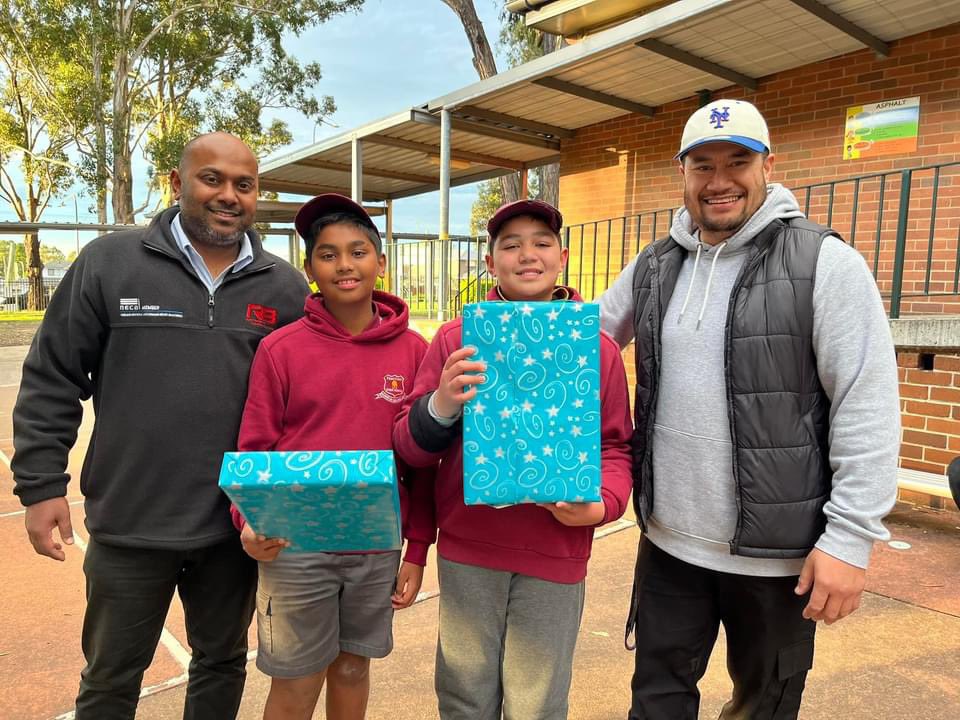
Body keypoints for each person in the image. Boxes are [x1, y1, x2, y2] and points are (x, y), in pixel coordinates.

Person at [599, 99, 901, 719]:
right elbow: (582, 345)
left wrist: (849, 539)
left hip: (778, 557)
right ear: (682, 173)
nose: (719, 181)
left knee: (762, 707)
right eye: (702, 165)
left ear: (768, 167)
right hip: (667, 543)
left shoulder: (824, 263)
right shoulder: (655, 266)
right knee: (655, 702)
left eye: (738, 161)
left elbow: (866, 403)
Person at [11, 132, 309, 720]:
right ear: (177, 184)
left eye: (243, 185)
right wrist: (41, 486)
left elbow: (307, 399)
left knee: (221, 665)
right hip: (130, 522)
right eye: (212, 179)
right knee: (110, 680)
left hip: (234, 527)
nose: (228, 195)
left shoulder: (284, 286)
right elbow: (53, 374)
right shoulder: (108, 262)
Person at [393, 199, 633, 720]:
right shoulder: (457, 340)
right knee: (464, 698)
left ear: (563, 256)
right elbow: (410, 448)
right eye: (511, 244)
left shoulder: (597, 347)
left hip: (556, 549)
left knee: (537, 704)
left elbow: (615, 446)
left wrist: (601, 505)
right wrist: (441, 403)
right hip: (470, 550)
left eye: (542, 242)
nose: (528, 254)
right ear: (490, 262)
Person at [232, 193, 435, 720]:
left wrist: (415, 548)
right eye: (328, 254)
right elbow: (254, 450)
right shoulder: (280, 350)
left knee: (351, 668)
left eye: (358, 251)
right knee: (297, 680)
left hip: (374, 546)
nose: (345, 264)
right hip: (294, 544)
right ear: (310, 269)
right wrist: (250, 522)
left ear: (381, 262)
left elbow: (422, 463)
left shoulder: (414, 351)